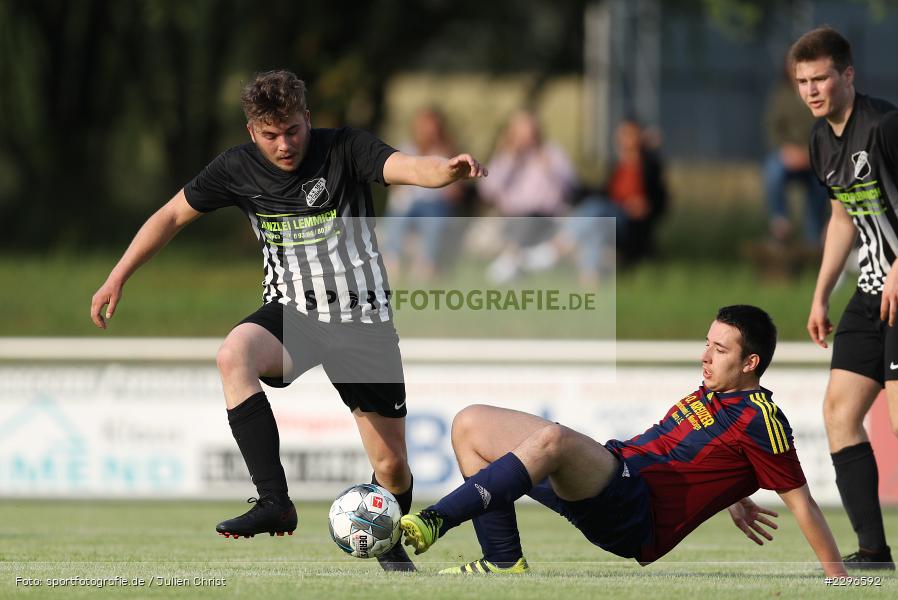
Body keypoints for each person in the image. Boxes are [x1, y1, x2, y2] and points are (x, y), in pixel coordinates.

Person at [89, 70, 486, 572]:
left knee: (391, 465)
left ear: (308, 119)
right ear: (252, 132)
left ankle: (387, 545)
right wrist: (118, 276)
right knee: (234, 353)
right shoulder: (235, 168)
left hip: (362, 319)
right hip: (293, 312)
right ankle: (274, 500)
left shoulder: (344, 148)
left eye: (293, 131)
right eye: (270, 135)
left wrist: (446, 170)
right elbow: (170, 216)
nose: (283, 145)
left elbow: (407, 166)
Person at [398, 305, 846, 577]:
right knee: (470, 425)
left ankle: (436, 519)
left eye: (720, 350)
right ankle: (502, 561)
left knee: (554, 439)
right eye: (706, 343)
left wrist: (838, 577)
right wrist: (732, 494)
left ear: (751, 363)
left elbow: (801, 501)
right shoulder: (712, 391)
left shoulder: (761, 418)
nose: (705, 357)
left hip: (634, 511)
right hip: (615, 475)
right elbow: (708, 456)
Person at [799, 26, 898, 570]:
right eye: (803, 81)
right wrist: (820, 295)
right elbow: (842, 218)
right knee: (840, 413)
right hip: (869, 292)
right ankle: (874, 552)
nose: (812, 90)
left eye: (822, 78)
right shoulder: (820, 139)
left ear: (848, 75)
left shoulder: (885, 125)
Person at [521, 118, 668, 284]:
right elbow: (603, 191)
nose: (624, 140)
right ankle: (590, 278)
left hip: (628, 223)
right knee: (597, 224)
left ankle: (555, 248)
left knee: (597, 207)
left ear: (639, 138)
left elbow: (660, 201)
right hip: (608, 218)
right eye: (622, 136)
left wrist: (646, 207)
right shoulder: (618, 167)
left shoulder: (649, 166)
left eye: (629, 135)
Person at [477, 110, 577, 284]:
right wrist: (511, 160)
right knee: (522, 220)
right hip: (511, 217)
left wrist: (550, 169)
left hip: (546, 217)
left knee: (529, 219)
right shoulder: (505, 157)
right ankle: (525, 260)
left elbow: (570, 187)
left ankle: (509, 263)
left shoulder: (552, 154)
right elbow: (487, 190)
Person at [381, 106, 464, 281]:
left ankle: (426, 263)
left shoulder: (448, 152)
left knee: (433, 220)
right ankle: (392, 259)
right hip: (410, 202)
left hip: (435, 203)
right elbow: (394, 181)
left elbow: (456, 192)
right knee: (398, 215)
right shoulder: (406, 148)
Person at [763, 57, 828, 247]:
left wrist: (811, 154)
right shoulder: (780, 95)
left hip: (814, 156)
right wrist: (787, 150)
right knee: (772, 169)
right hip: (788, 154)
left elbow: (826, 127)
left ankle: (814, 239)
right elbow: (773, 129)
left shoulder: (819, 93)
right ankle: (780, 223)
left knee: (821, 183)